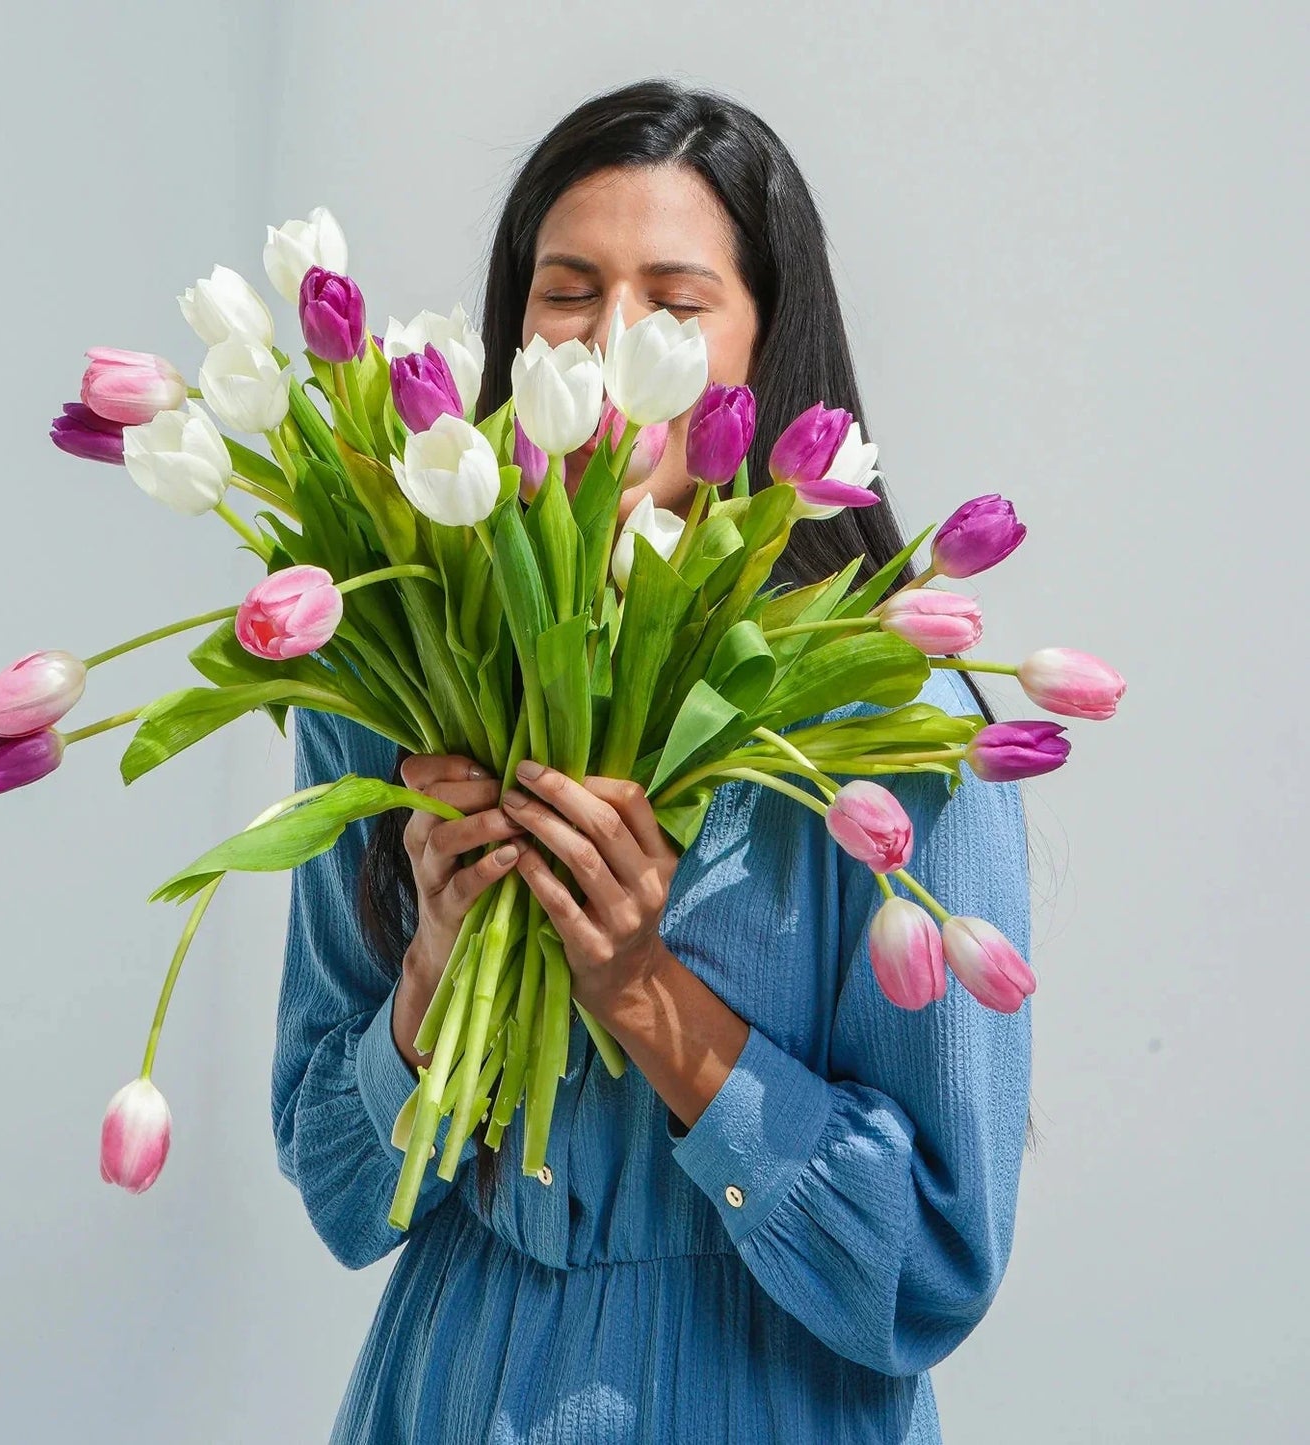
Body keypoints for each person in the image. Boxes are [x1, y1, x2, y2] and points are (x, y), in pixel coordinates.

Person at [272, 77, 1035, 1444]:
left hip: (765, 1401)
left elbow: (925, 1269)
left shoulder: (894, 727)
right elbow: (337, 1193)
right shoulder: (393, 679)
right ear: (511, 337)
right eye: (567, 292)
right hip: (448, 1393)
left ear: (763, 350)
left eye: (676, 303)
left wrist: (644, 990)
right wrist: (434, 975)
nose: (616, 341)